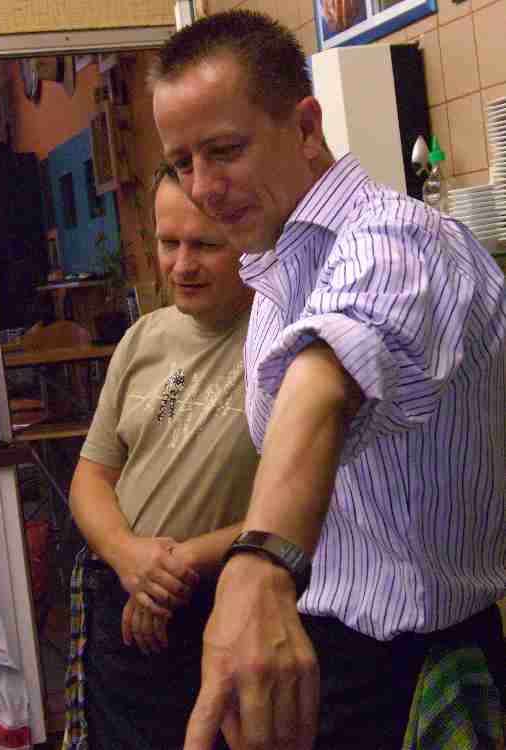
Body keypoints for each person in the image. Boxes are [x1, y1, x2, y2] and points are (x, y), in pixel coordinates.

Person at [150, 9, 506, 750]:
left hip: (413, 669)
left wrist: (258, 569)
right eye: (183, 162)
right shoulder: (276, 271)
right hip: (322, 645)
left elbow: (326, 374)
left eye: (225, 150)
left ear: (307, 127)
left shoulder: (400, 237)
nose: (203, 187)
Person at [64, 164, 258, 750]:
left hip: (222, 609)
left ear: (246, 237)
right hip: (119, 605)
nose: (182, 265)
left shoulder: (277, 342)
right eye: (169, 243)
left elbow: (307, 511)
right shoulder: (144, 338)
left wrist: (172, 570)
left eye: (205, 245)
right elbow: (91, 477)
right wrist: (130, 558)